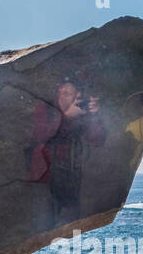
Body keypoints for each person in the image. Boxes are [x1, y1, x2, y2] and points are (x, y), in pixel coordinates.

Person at [29, 78, 104, 223]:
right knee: (43, 223)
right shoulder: (45, 108)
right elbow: (40, 135)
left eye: (68, 93)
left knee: (69, 225)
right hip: (43, 177)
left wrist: (94, 115)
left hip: (70, 178)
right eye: (61, 92)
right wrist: (66, 117)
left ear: (78, 96)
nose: (62, 96)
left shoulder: (81, 112)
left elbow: (97, 140)